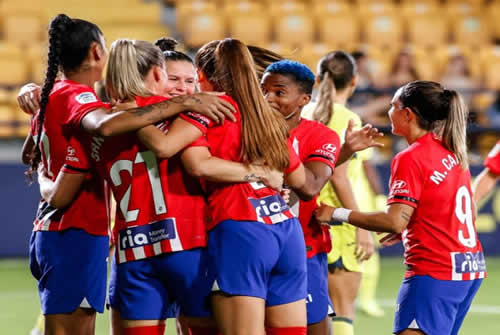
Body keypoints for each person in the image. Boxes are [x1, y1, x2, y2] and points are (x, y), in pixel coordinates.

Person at [38, 38, 283, 335]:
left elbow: (63, 183)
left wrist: (41, 169)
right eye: (173, 78)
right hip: (189, 246)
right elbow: (201, 161)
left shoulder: (98, 123)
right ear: (158, 73)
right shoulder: (186, 113)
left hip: (132, 253)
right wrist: (258, 173)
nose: (182, 87)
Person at [317, 81, 486, 335]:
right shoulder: (451, 150)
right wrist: (413, 224)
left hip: (434, 272)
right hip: (468, 267)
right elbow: (464, 209)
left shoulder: (410, 158)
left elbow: (394, 221)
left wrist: (335, 214)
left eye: (393, 106)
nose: (388, 111)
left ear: (408, 114)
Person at [181, 38, 308, 335]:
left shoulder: (207, 111)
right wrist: (268, 175)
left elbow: (199, 164)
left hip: (240, 226)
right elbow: (299, 179)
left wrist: (254, 172)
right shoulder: (267, 114)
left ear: (201, 74)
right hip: (284, 228)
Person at [261, 60, 340, 335]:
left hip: (302, 248)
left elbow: (310, 186)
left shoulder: (321, 136)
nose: (268, 98)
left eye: (279, 93)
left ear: (304, 99)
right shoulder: (244, 130)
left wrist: (275, 136)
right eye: (263, 91)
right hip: (249, 248)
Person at [303, 50, 375, 335]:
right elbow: (339, 177)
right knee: (343, 308)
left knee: (313, 309)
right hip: (337, 224)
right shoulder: (348, 118)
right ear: (354, 81)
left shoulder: (304, 112)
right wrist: (361, 226)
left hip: (306, 218)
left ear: (318, 79)